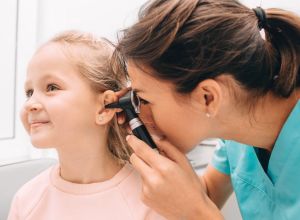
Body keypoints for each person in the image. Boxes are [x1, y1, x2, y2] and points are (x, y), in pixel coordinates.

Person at [114, 0, 300, 219]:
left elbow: (199, 208)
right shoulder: (236, 131)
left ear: (208, 97)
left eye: (144, 100)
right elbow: (206, 194)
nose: (141, 116)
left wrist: (197, 214)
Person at [7, 30, 164, 220]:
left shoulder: (151, 200)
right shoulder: (26, 200)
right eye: (29, 92)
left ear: (104, 108)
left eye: (52, 87)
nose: (31, 104)